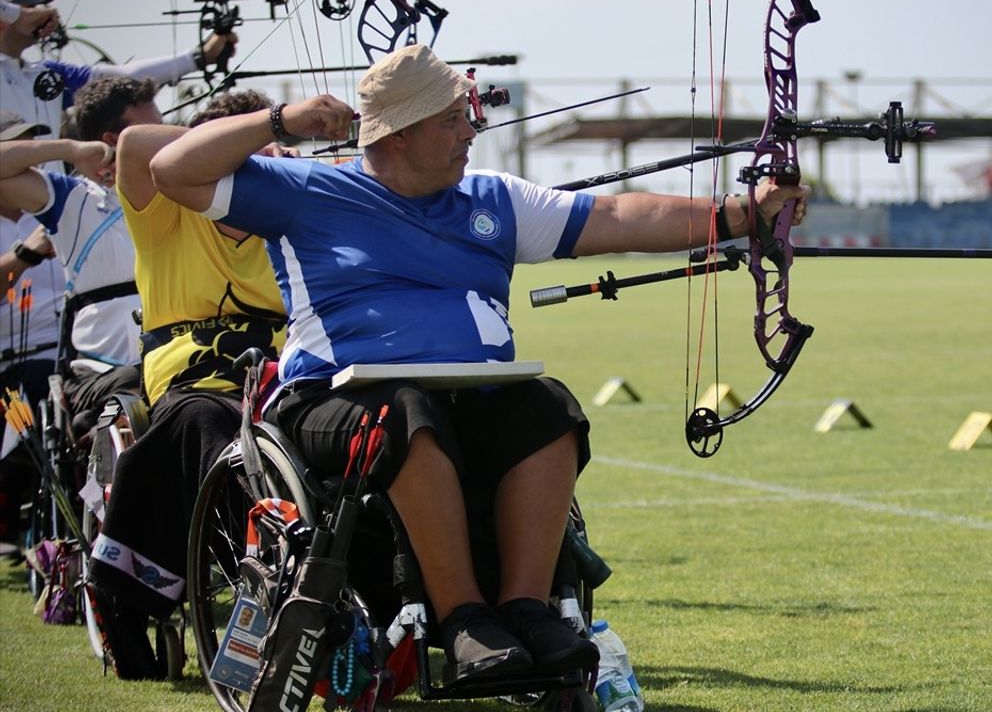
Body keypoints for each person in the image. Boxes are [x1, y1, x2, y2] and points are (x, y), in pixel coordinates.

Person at [151, 44, 809, 685]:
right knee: (406, 414)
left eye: (466, 116)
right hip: (333, 405)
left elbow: (615, 215)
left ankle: (525, 609)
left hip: (470, 400)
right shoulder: (303, 190)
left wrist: (740, 215)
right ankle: (463, 619)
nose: (469, 132)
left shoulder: (492, 199)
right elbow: (171, 169)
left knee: (547, 408)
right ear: (400, 135)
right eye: (450, 121)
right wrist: (281, 122)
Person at [86, 89, 289, 680]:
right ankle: (251, 569)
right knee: (207, 422)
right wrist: (256, 133)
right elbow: (134, 144)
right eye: (218, 150)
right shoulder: (166, 212)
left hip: (283, 373)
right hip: (197, 379)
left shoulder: (285, 209)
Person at [0, 78, 158, 430]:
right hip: (108, 372)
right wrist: (73, 150)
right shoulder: (72, 198)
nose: (164, 140)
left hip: (175, 359)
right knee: (138, 386)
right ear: (111, 143)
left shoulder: (179, 188)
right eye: (153, 131)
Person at [0, 0, 237, 154]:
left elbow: (120, 79)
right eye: (27, 6)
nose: (41, 12)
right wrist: (15, 14)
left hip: (46, 218)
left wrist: (200, 57)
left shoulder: (46, 74)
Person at [0, 109, 62, 548]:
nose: (32, 167)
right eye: (20, 155)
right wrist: (27, 252)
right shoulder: (33, 229)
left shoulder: (55, 206)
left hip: (66, 353)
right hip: (12, 368)